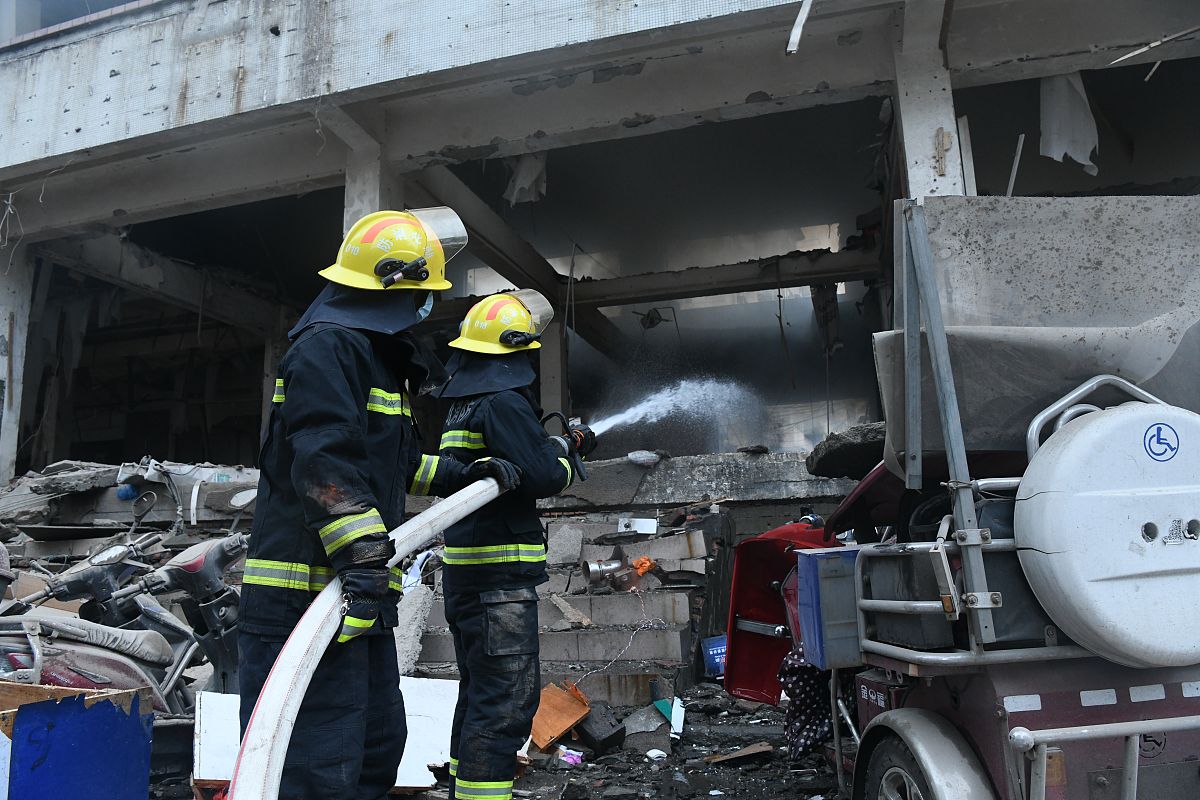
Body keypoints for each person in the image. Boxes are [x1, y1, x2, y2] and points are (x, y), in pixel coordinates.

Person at [238, 209, 521, 800]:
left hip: (353, 595)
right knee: (319, 768)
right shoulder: (328, 349)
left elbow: (387, 464)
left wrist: (468, 476)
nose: (427, 307)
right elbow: (325, 460)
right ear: (396, 287)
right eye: (424, 293)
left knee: (374, 748)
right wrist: (365, 557)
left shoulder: (367, 357)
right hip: (305, 598)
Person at [432, 290, 596, 800]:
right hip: (498, 581)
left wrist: (551, 446)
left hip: (469, 576)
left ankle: (465, 785)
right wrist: (569, 451)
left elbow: (518, 461)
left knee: (479, 690)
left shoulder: (464, 405)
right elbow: (543, 474)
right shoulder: (504, 402)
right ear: (517, 351)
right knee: (506, 700)